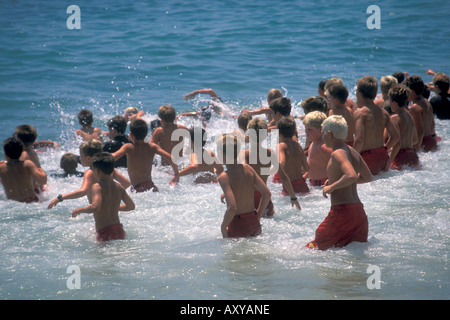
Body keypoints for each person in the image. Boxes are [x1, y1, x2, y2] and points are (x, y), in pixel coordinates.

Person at [306, 115, 372, 250]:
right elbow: (367, 177)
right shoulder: (351, 150)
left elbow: (351, 175)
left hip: (342, 213)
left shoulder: (337, 153)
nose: (323, 137)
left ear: (329, 134)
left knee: (313, 248)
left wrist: (331, 186)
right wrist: (338, 181)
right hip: (358, 213)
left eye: (323, 133)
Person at [47, 139, 130, 209]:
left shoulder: (90, 172)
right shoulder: (112, 170)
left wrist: (60, 198)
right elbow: (126, 183)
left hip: (98, 213)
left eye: (81, 155)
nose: (79, 158)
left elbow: (82, 191)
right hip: (110, 210)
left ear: (89, 158)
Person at [71, 152, 135, 242]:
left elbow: (95, 207)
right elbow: (131, 206)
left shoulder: (97, 187)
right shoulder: (119, 186)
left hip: (105, 232)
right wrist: (114, 208)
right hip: (119, 230)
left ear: (96, 170)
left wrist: (79, 210)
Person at [216, 134, 271, 238]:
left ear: (220, 154)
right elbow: (267, 193)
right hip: (254, 222)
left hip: (238, 224)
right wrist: (258, 216)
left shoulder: (224, 177)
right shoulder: (248, 169)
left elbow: (232, 208)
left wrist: (223, 227)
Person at [111, 119, 179, 193]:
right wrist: (176, 175)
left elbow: (113, 157)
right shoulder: (152, 147)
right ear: (146, 134)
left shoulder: (128, 147)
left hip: (137, 189)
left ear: (131, 134)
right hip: (151, 187)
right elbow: (171, 158)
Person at [353, 76, 400, 175]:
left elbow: (359, 140)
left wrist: (351, 158)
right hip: (382, 157)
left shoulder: (360, 113)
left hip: (367, 157)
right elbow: (395, 137)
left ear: (360, 94)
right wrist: (385, 149)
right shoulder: (384, 113)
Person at [0, 137, 47, 203]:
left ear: (5, 154)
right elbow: (42, 181)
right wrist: (41, 170)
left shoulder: (1, 168)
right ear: (21, 152)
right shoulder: (27, 164)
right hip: (32, 201)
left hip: (12, 203)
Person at [387, 85, 420, 170]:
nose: (389, 104)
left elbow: (397, 144)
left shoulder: (394, 118)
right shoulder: (409, 116)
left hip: (400, 157)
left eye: (389, 101)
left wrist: (388, 162)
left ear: (394, 103)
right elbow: (415, 139)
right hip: (412, 155)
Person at [276, 117, 310, 195]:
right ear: (294, 132)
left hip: (290, 187)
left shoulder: (281, 146)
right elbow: (307, 168)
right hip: (303, 185)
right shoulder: (297, 145)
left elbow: (281, 164)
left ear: (279, 134)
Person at [404, 75, 437, 152]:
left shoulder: (415, 108)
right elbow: (432, 125)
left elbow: (420, 132)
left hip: (422, 143)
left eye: (406, 91)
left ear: (412, 92)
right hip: (431, 140)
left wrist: (415, 150)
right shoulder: (427, 102)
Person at [302, 111, 332, 187]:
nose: (306, 132)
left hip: (324, 184)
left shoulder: (323, 146)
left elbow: (338, 164)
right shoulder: (314, 143)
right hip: (314, 184)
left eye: (309, 129)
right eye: (305, 128)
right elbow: (313, 165)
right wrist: (305, 177)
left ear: (321, 129)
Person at [15, 124, 48, 191]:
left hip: (31, 192)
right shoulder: (32, 152)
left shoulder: (22, 156)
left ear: (20, 141)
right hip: (39, 188)